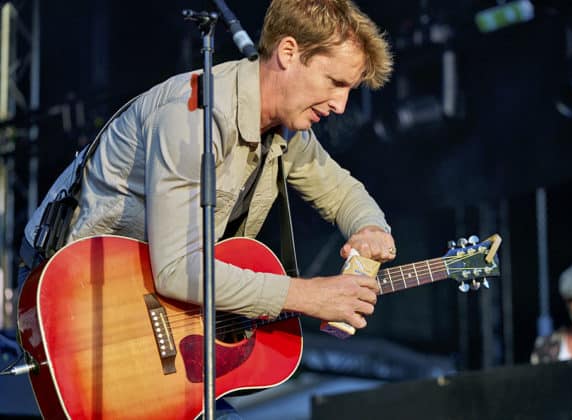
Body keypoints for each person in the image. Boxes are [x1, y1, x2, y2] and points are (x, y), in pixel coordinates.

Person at [18, 1, 395, 415]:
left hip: (160, 310)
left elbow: (342, 191)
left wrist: (370, 228)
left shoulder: (287, 130)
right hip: (83, 302)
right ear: (288, 53)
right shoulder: (193, 116)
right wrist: (308, 296)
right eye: (334, 82)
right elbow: (179, 270)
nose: (341, 105)